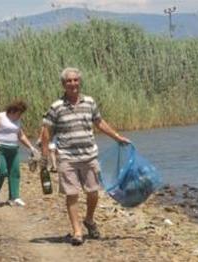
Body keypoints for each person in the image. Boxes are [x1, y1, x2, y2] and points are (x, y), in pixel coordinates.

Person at [40, 67, 130, 246]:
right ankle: (77, 231)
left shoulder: (89, 102)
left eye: (75, 80)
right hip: (67, 157)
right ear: (63, 84)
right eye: (69, 81)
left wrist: (117, 137)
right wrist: (45, 158)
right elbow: (45, 132)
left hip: (89, 155)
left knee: (93, 192)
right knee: (71, 194)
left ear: (79, 82)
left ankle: (89, 219)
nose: (72, 84)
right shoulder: (56, 106)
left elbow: (99, 122)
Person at [0, 99, 38, 207]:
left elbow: (21, 136)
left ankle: (14, 197)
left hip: (13, 149)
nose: (20, 115)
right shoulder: (0, 117)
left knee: (15, 173)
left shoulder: (18, 121)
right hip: (0, 148)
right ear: (13, 110)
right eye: (19, 113)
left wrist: (31, 148)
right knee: (1, 172)